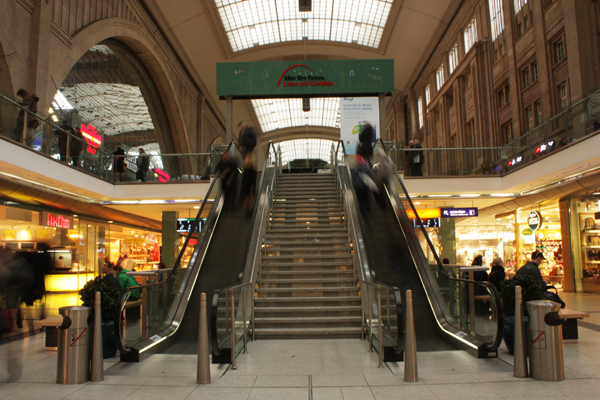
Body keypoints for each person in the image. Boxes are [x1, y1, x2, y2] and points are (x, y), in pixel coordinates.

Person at [239, 126, 257, 216]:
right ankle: (249, 212)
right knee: (250, 198)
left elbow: (245, 179)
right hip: (249, 188)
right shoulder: (252, 170)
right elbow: (253, 180)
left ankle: (247, 212)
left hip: (247, 187)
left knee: (248, 198)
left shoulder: (247, 170)